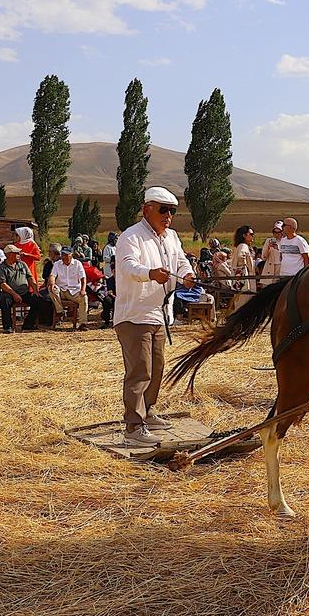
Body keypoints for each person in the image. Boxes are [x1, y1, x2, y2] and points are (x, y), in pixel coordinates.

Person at [114, 186, 195, 446]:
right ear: (147, 208)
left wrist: (188, 274)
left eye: (172, 211)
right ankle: (133, 427)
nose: (168, 215)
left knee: (156, 367)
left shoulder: (171, 237)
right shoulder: (131, 236)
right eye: (163, 210)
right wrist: (150, 273)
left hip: (159, 314)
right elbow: (128, 266)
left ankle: (147, 412)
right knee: (140, 371)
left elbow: (181, 261)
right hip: (134, 314)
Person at [0, 245, 54, 332]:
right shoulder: (1, 268)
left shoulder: (22, 264)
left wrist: (35, 290)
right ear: (9, 255)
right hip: (9, 293)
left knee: (39, 300)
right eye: (16, 253)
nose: (19, 255)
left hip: (24, 292)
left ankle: (28, 324)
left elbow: (30, 278)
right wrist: (14, 294)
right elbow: (3, 284)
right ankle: (8, 326)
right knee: (4, 300)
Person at [49, 246, 89, 330]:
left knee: (84, 298)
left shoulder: (78, 264)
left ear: (71, 255)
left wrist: (83, 290)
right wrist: (52, 283)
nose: (63, 257)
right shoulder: (57, 264)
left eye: (65, 255)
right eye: (62, 254)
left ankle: (82, 323)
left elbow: (83, 278)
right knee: (51, 289)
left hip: (74, 291)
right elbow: (52, 276)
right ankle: (60, 312)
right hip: (61, 291)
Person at [230, 225, 257, 313]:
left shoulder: (241, 246)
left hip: (241, 280)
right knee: (243, 304)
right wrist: (244, 267)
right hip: (245, 280)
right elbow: (241, 256)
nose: (253, 236)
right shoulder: (243, 246)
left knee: (240, 303)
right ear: (244, 235)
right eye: (251, 234)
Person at [13, 227, 42, 291]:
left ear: (22, 235)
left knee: (30, 282)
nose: (15, 237)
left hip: (29, 267)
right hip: (18, 267)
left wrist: (27, 255)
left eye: (17, 235)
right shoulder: (16, 245)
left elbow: (38, 257)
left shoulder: (32, 244)